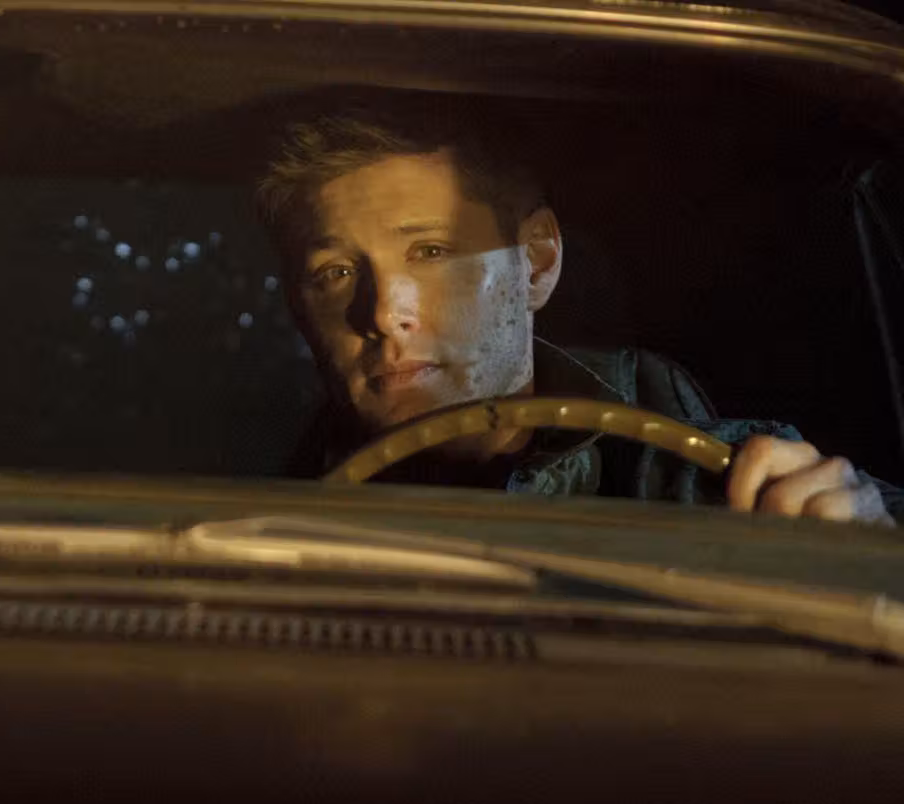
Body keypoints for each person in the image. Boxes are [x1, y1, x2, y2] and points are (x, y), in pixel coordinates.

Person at [256, 108, 901, 525]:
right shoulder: (249, 521)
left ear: (536, 263)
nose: (381, 312)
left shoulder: (715, 480)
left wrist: (864, 539)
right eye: (334, 273)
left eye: (431, 252)